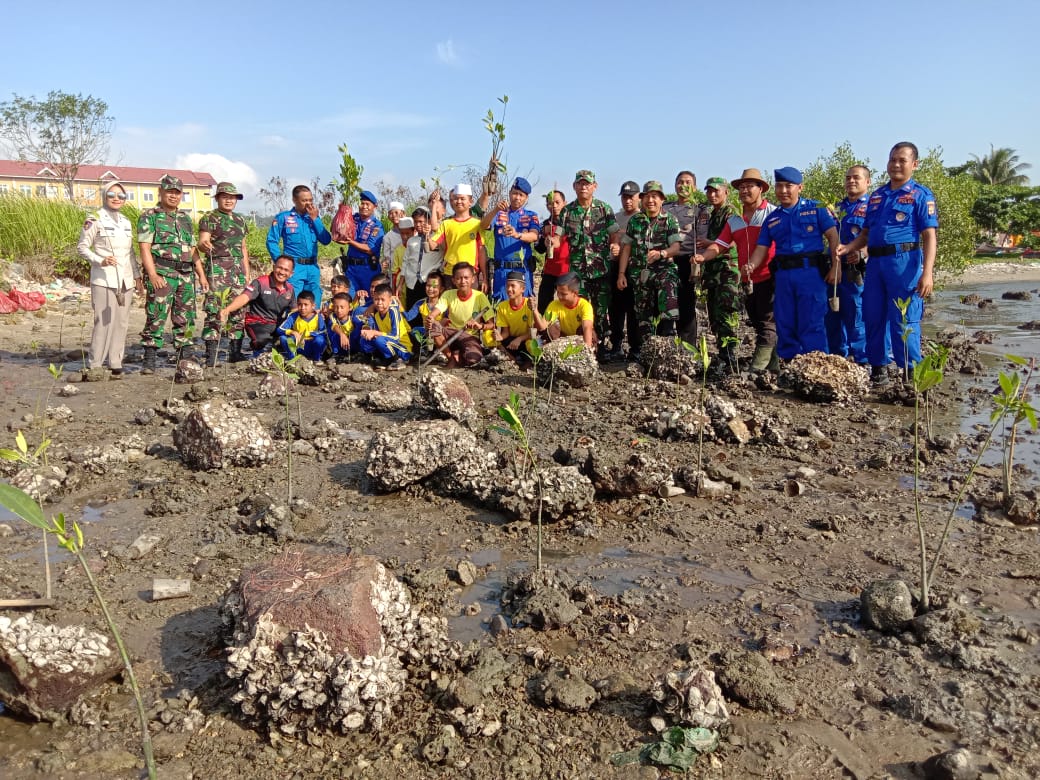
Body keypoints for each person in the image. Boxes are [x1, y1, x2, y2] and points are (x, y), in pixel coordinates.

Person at [838, 143, 938, 385]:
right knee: (873, 316)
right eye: (892, 159)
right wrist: (848, 248)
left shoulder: (921, 195)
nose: (895, 164)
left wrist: (927, 274)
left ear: (914, 164)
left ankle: (911, 374)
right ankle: (879, 370)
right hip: (876, 264)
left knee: (904, 319)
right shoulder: (877, 197)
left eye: (902, 160)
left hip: (904, 263)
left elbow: (929, 236)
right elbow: (865, 233)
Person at [745, 167, 839, 362]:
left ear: (800, 187)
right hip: (784, 276)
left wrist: (836, 267)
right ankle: (789, 364)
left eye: (789, 186)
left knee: (812, 320)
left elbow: (833, 236)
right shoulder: (772, 218)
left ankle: (816, 364)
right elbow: (761, 248)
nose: (783, 191)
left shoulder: (816, 209)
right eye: (779, 186)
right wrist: (751, 265)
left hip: (810, 274)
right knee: (785, 320)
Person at [694, 168, 778, 372]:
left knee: (768, 322)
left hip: (771, 276)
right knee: (759, 323)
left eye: (750, 186)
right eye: (742, 187)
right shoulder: (735, 220)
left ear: (761, 189)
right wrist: (702, 257)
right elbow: (719, 245)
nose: (745, 190)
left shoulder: (772, 213)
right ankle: (774, 368)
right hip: (748, 279)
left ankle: (756, 369)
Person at [138, 174, 207, 374]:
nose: (173, 196)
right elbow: (144, 247)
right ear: (161, 192)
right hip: (162, 272)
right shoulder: (149, 216)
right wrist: (152, 274)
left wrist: (200, 274)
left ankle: (184, 356)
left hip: (185, 274)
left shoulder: (184, 218)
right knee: (156, 315)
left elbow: (192, 248)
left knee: (185, 316)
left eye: (177, 193)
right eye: (170, 192)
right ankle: (149, 358)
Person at [76, 180, 141, 380]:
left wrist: (137, 277)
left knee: (121, 322)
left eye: (121, 196)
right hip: (104, 279)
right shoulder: (94, 218)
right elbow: (82, 247)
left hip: (125, 279)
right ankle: (95, 363)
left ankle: (115, 362)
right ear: (104, 196)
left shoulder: (126, 221)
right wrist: (100, 260)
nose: (116, 199)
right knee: (104, 321)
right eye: (112, 195)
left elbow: (130, 252)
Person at [556, 170, 619, 358]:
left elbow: (614, 232)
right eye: (580, 184)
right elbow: (558, 237)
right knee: (579, 309)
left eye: (587, 184)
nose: (583, 187)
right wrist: (552, 241)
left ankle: (601, 348)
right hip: (578, 273)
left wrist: (615, 244)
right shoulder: (567, 212)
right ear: (574, 186)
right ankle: (582, 349)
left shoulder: (604, 209)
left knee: (600, 311)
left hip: (600, 270)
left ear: (594, 186)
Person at [618, 181, 683, 345]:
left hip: (662, 269)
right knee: (643, 315)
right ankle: (647, 350)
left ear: (662, 199)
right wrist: (621, 274)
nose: (650, 200)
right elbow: (626, 248)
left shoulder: (670, 220)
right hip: (640, 273)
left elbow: (676, 247)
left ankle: (668, 337)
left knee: (668, 290)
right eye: (646, 196)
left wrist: (662, 253)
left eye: (654, 196)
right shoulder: (635, 221)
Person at [199, 181, 251, 366]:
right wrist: (204, 246)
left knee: (238, 311)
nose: (229, 201)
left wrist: (246, 271)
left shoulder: (240, 220)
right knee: (214, 310)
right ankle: (211, 355)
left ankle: (234, 352)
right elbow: (202, 242)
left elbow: (243, 247)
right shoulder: (209, 218)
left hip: (237, 271)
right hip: (218, 269)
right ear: (218, 198)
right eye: (225, 197)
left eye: (233, 198)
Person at [826, 165, 871, 364]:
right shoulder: (835, 208)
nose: (851, 181)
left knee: (856, 318)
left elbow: (877, 236)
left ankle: (863, 362)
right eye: (848, 178)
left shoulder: (873, 206)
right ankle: (838, 360)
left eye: (856, 178)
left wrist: (862, 253)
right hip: (834, 271)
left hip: (857, 272)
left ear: (867, 182)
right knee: (832, 318)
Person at [696, 177, 740, 374]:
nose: (712, 195)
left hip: (726, 270)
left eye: (716, 191)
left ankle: (730, 356)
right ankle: (723, 355)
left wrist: (708, 243)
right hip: (712, 272)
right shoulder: (710, 213)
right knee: (714, 315)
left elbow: (732, 241)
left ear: (726, 192)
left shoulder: (730, 213)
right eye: (709, 191)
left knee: (726, 313)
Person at [266, 185, 332, 307]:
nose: (308, 203)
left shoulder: (314, 218)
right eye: (304, 200)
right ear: (294, 200)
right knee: (293, 304)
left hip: (313, 268)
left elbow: (326, 240)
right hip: (295, 268)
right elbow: (271, 241)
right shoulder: (284, 217)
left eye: (310, 200)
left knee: (314, 304)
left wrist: (315, 219)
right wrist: (281, 263)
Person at [664, 171, 710, 343]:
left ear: (694, 187)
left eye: (688, 182)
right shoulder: (666, 208)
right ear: (675, 185)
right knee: (666, 303)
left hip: (688, 260)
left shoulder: (700, 209)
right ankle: (665, 343)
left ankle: (688, 347)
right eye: (680, 182)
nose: (684, 185)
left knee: (686, 304)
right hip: (666, 260)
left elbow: (701, 237)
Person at [220, 256, 295, 355]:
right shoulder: (260, 282)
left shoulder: (290, 289)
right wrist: (227, 309)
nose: (281, 272)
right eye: (279, 268)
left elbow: (295, 309)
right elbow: (244, 297)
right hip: (258, 322)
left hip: (277, 325)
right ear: (273, 267)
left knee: (291, 342)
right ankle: (256, 347)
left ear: (291, 274)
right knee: (263, 344)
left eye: (286, 270)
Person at [481, 177, 541, 301]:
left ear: (526, 198)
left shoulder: (531, 215)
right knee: (501, 308)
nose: (517, 198)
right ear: (509, 193)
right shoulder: (499, 214)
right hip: (502, 272)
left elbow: (534, 236)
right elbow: (483, 225)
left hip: (522, 270)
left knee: (523, 308)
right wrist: (495, 209)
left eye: (521, 195)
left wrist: (517, 235)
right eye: (514, 193)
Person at [429, 262, 494, 367]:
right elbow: (437, 310)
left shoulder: (480, 297)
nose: (463, 281)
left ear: (473, 279)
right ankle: (451, 358)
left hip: (469, 336)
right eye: (459, 278)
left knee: (473, 360)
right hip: (450, 333)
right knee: (434, 325)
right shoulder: (448, 294)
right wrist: (430, 318)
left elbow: (491, 324)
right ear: (453, 280)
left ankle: (457, 355)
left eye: (466, 278)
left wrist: (479, 326)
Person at [607, 180, 641, 360]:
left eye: (631, 197)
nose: (627, 201)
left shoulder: (643, 217)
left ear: (638, 198)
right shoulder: (616, 218)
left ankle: (636, 347)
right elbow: (611, 238)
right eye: (624, 197)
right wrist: (613, 245)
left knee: (634, 310)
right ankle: (616, 345)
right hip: (615, 266)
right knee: (615, 309)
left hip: (634, 268)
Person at [428, 183, 486, 287]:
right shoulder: (446, 223)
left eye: (462, 199)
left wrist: (485, 276)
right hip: (450, 274)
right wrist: (434, 205)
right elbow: (432, 244)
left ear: (470, 202)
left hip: (470, 275)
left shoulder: (477, 224)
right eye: (455, 199)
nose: (458, 201)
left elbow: (481, 251)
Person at [337, 189, 384, 299]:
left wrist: (350, 241)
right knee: (349, 299)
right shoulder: (353, 219)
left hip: (368, 269)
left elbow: (370, 249)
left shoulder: (376, 226)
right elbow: (336, 233)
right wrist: (340, 213)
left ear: (374, 206)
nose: (364, 206)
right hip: (351, 268)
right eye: (362, 203)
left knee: (372, 300)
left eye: (368, 204)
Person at [359, 283, 413, 370]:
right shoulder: (375, 313)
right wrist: (367, 330)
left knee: (379, 339)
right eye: (376, 299)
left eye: (382, 300)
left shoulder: (393, 312)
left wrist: (375, 332)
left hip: (402, 348)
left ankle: (398, 360)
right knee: (364, 338)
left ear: (390, 300)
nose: (379, 303)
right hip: (387, 342)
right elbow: (369, 325)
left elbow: (395, 336)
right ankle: (375, 358)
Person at [534, 190, 571, 314]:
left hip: (567, 271)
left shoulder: (571, 223)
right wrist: (545, 241)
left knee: (567, 304)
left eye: (557, 202)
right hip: (550, 271)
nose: (554, 206)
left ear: (565, 203)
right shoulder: (544, 225)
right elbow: (538, 249)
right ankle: (545, 331)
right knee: (544, 305)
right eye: (550, 203)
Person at [400, 206, 444, 307]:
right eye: (415, 222)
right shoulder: (411, 241)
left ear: (428, 221)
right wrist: (400, 284)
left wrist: (428, 235)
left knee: (429, 311)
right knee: (412, 314)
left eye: (421, 221)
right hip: (412, 283)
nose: (418, 225)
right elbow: (405, 263)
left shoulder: (437, 238)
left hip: (429, 283)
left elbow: (446, 249)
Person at [494, 271, 540, 363]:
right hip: (511, 341)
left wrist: (519, 339)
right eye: (507, 286)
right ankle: (512, 360)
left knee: (533, 345)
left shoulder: (529, 305)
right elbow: (506, 332)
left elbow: (534, 331)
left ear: (522, 289)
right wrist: (500, 337)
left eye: (512, 286)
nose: (509, 289)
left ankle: (529, 364)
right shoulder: (502, 306)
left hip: (526, 339)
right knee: (490, 339)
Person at [541, 272, 596, 350]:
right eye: (558, 292)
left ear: (575, 293)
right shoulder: (554, 304)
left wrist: (587, 350)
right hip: (564, 339)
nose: (559, 296)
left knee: (589, 333)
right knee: (551, 328)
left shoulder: (585, 305)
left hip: (580, 339)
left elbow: (587, 327)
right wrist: (535, 311)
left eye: (563, 294)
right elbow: (542, 326)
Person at [277, 290, 327, 361]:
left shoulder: (318, 317)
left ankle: (316, 359)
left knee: (320, 340)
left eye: (306, 305)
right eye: (300, 304)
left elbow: (323, 332)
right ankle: (292, 358)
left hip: (311, 345)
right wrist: (293, 332)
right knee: (283, 338)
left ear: (313, 306)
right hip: (298, 346)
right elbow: (279, 329)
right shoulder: (294, 316)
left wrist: (307, 334)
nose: (302, 308)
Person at [404, 270, 443, 349]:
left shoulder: (444, 303)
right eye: (428, 285)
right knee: (414, 331)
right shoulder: (420, 303)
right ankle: (424, 351)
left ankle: (440, 352)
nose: (430, 289)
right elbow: (408, 317)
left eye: (434, 286)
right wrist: (399, 305)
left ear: (441, 289)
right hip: (426, 332)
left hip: (441, 333)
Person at [389, 216, 416, 298]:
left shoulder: (418, 247)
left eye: (407, 233)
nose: (405, 237)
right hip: (401, 286)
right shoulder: (398, 250)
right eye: (402, 233)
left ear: (414, 231)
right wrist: (394, 292)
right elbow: (394, 273)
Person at [324, 292, 354, 363]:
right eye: (336, 307)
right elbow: (334, 326)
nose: (339, 310)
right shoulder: (333, 316)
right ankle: (336, 354)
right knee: (332, 332)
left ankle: (357, 354)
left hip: (351, 344)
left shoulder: (353, 317)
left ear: (350, 308)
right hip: (338, 343)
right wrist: (341, 334)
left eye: (342, 307)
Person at [379, 200, 406, 273]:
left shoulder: (414, 231)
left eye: (396, 212)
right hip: (396, 273)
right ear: (388, 217)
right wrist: (384, 264)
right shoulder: (387, 237)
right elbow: (387, 258)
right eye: (391, 213)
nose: (394, 215)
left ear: (403, 214)